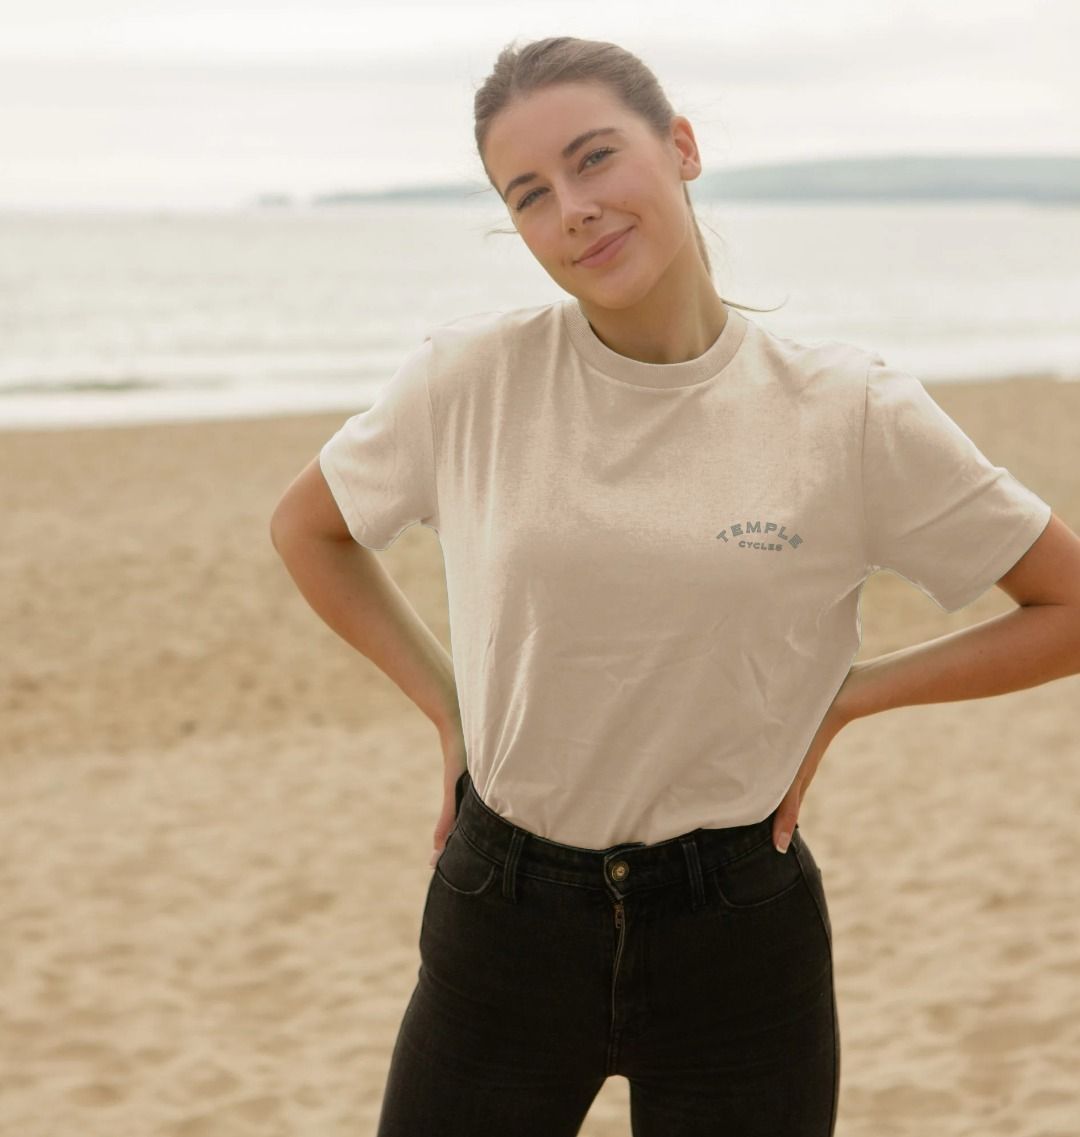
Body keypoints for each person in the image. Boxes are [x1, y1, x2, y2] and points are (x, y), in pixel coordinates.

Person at [268, 34, 1080, 1137]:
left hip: (738, 932)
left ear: (682, 148)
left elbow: (1065, 604)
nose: (573, 210)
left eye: (596, 159)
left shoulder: (849, 412)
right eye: (531, 193)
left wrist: (849, 696)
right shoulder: (472, 379)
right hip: (501, 915)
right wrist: (449, 703)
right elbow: (309, 529)